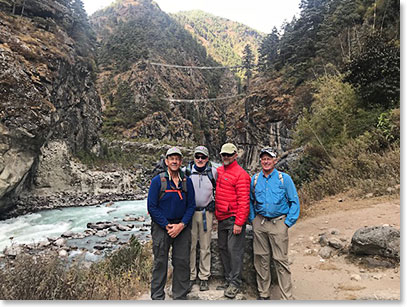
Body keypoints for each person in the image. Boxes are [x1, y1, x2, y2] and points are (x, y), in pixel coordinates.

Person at [249, 147, 300, 300]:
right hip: (260, 222)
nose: (266, 161)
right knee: (261, 259)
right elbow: (250, 201)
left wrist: (287, 223)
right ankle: (263, 294)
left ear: (275, 161)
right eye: (263, 159)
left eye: (269, 158)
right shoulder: (255, 179)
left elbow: (294, 201)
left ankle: (286, 297)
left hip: (279, 223)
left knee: (281, 260)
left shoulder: (284, 179)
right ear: (260, 161)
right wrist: (253, 218)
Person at [147, 147, 196, 300]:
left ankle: (180, 296)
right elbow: (151, 206)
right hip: (162, 227)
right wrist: (166, 225)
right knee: (160, 262)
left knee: (182, 262)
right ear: (166, 161)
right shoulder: (158, 181)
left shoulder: (187, 181)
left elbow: (191, 206)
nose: (174, 161)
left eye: (177, 159)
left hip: (182, 226)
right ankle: (157, 297)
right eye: (171, 158)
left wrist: (181, 225)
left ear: (181, 162)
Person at [214, 143, 251, 299]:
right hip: (222, 217)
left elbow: (244, 201)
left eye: (229, 154)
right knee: (223, 248)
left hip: (233, 218)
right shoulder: (219, 171)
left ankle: (235, 283)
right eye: (224, 155)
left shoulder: (241, 175)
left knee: (234, 251)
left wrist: (239, 222)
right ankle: (229, 279)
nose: (226, 157)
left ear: (236, 155)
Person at [186, 145, 218, 292]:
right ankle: (192, 276)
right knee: (191, 246)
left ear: (207, 159)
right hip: (190, 214)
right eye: (197, 156)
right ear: (194, 157)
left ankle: (204, 276)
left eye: (203, 157)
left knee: (205, 246)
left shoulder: (213, 172)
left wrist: (214, 203)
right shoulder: (186, 172)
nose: (200, 159)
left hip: (207, 213)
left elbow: (220, 190)